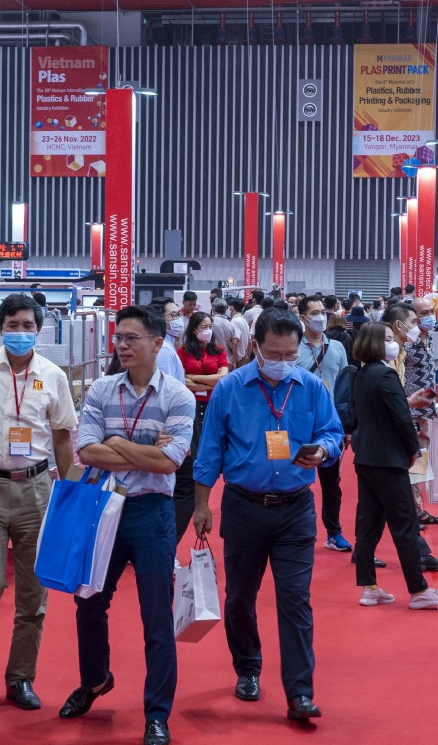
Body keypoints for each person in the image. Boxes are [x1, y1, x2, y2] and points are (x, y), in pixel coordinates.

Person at [192, 308, 343, 722]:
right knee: (240, 598)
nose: (282, 361)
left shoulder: (311, 387)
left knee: (295, 599)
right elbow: (210, 450)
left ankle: (300, 692)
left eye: (290, 354)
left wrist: (324, 450)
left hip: (295, 508)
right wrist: (202, 504)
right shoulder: (230, 389)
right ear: (256, 346)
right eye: (274, 353)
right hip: (243, 507)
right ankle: (248, 668)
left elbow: (332, 433)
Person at [66, 305, 195, 745]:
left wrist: (116, 442)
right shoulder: (102, 390)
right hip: (103, 509)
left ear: (157, 343)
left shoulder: (178, 396)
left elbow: (170, 462)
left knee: (156, 617)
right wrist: (142, 449)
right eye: (118, 337)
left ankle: (157, 714)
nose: (121, 345)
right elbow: (86, 451)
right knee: (88, 602)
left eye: (131, 338)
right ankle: (95, 680)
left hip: (152, 512)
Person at [0, 295, 78, 710]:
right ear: (0, 327)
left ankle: (20, 677)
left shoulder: (53, 376)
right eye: (13, 325)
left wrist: (70, 495)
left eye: (28, 326)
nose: (20, 332)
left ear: (39, 330)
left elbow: (62, 435)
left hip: (37, 489)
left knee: (34, 595)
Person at [350, 323, 438, 610]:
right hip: (388, 458)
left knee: (369, 524)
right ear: (374, 343)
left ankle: (369, 587)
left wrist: (406, 402)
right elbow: (400, 419)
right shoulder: (385, 374)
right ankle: (418, 590)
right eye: (387, 338)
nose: (393, 342)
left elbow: (381, 410)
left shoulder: (361, 374)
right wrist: (413, 449)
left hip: (367, 457)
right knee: (405, 524)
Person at [295, 296, 351, 553]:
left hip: (331, 424)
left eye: (322, 312)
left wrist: (347, 426)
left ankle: (334, 532)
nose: (320, 317)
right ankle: (297, 532)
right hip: (299, 422)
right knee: (297, 479)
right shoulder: (294, 347)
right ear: (303, 318)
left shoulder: (337, 347)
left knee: (331, 483)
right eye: (314, 312)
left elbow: (345, 387)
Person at [173, 311, 230, 543]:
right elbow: (182, 380)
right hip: (190, 408)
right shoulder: (182, 352)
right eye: (203, 326)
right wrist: (210, 380)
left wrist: (196, 380)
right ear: (194, 329)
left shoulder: (219, 350)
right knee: (193, 456)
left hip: (213, 407)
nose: (208, 330)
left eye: (210, 326)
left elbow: (223, 378)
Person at [405, 297, 438, 526]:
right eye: (424, 313)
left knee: (420, 463)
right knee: (413, 461)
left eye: (431, 311)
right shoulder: (407, 343)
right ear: (414, 317)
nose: (430, 316)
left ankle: (416, 508)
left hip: (425, 413)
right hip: (411, 413)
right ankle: (412, 511)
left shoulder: (428, 337)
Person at [152, 299, 187, 384]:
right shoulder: (164, 349)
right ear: (160, 318)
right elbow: (167, 386)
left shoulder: (169, 343)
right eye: (174, 315)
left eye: (179, 314)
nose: (179, 319)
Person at [227, 297, 253, 367]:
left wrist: (234, 362)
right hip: (244, 357)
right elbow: (250, 341)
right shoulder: (244, 320)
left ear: (232, 308)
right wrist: (247, 356)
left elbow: (235, 342)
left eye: (229, 307)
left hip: (237, 358)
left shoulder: (235, 321)